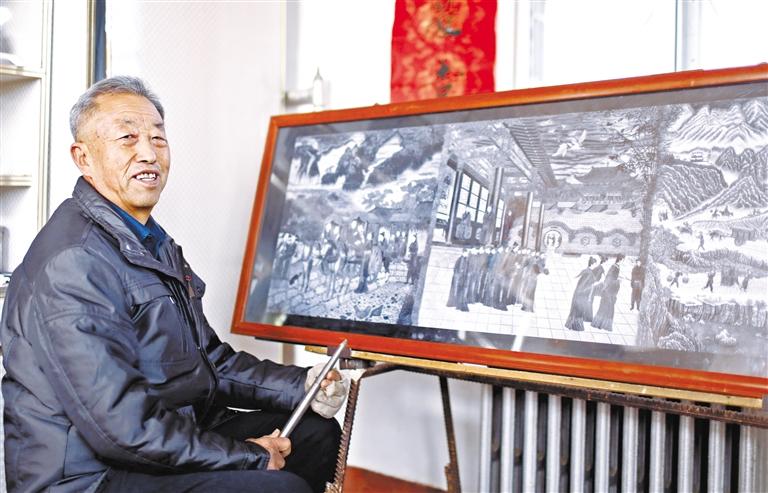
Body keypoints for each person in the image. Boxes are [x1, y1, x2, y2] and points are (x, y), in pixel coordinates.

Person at [0, 77, 348, 493]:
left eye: (158, 138)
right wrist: (250, 456)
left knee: (315, 434)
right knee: (277, 487)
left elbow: (209, 362)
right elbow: (121, 427)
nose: (148, 153)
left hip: (156, 435)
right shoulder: (74, 261)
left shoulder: (151, 242)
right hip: (88, 475)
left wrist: (302, 385)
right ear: (84, 157)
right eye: (127, 138)